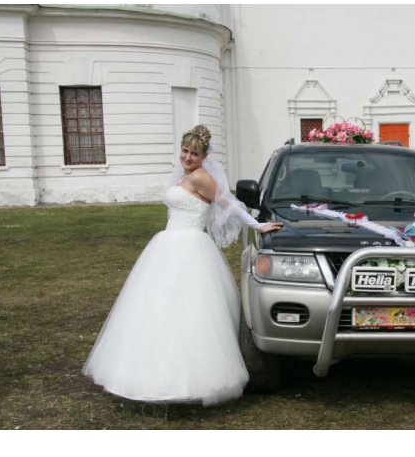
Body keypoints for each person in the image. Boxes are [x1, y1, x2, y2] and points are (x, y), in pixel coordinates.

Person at [82, 124, 282, 406]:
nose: (187, 157)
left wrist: (257, 224)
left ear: (204, 157)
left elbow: (230, 204)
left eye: (194, 154)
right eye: (185, 151)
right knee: (157, 308)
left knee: (190, 311)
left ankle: (194, 379)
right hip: (166, 245)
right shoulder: (183, 175)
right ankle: (149, 372)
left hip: (191, 248)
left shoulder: (201, 178)